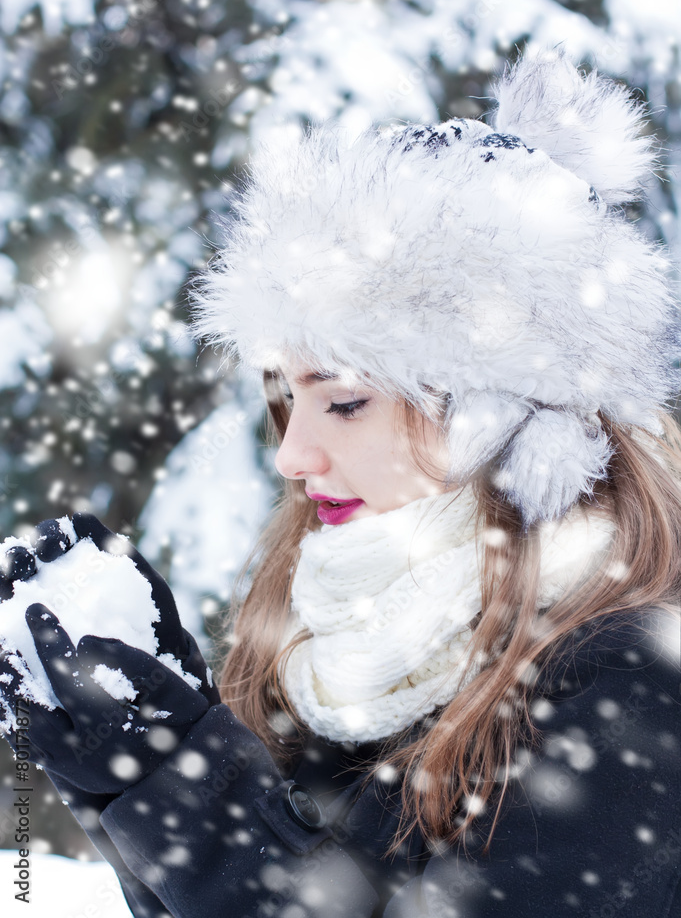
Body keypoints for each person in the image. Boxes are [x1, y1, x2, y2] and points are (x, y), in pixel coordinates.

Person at [0, 46, 680, 918]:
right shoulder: (339, 650)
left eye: (347, 401)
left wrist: (186, 785)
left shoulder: (632, 684)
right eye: (287, 398)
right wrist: (133, 765)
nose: (292, 455)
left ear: (501, 415)